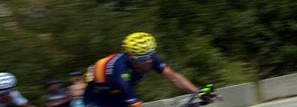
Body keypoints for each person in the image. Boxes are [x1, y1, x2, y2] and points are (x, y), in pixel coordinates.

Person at [82, 32, 219, 107]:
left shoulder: (148, 57)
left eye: (150, 56)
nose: (149, 61)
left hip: (116, 91)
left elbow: (174, 77)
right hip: (97, 96)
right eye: (142, 59)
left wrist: (197, 92)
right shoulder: (119, 74)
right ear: (131, 58)